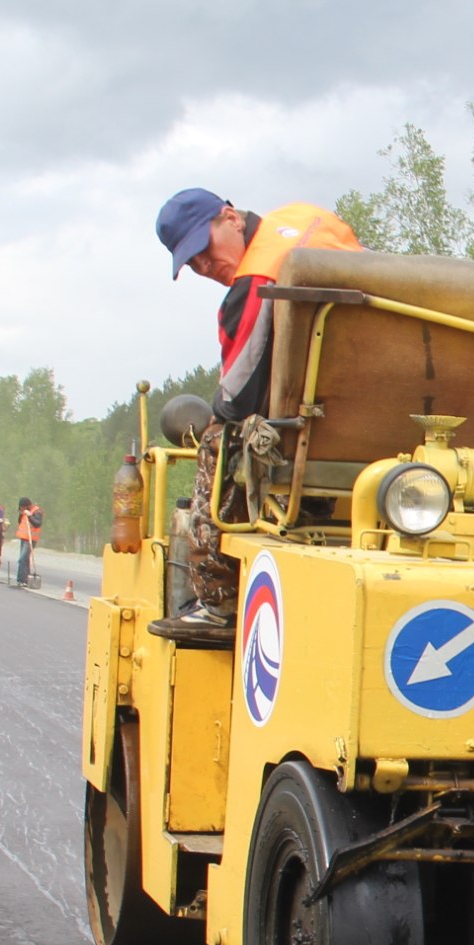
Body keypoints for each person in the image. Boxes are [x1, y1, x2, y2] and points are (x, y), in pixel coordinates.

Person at [150, 188, 362, 637]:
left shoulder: (254, 281)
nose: (204, 267)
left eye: (202, 249)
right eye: (192, 263)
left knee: (218, 440)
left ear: (230, 217)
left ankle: (216, 602)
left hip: (311, 435)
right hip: (375, 418)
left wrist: (217, 417)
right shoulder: (313, 218)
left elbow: (236, 398)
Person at [11, 496, 41, 586]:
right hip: (23, 538)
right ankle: (26, 579)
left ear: (27, 505)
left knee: (22, 559)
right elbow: (20, 522)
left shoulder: (36, 511)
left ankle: (21, 579)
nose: (22, 509)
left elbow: (37, 524)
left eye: (23, 507)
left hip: (31, 539)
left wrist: (30, 516)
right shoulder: (24, 512)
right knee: (25, 560)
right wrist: (21, 514)